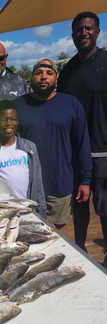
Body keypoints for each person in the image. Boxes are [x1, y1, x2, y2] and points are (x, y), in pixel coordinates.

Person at [13, 58, 92, 236]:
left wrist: (85, 179)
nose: (43, 77)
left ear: (56, 79)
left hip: (59, 182)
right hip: (25, 184)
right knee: (26, 230)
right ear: (31, 78)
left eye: (49, 73)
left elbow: (82, 143)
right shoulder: (17, 106)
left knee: (59, 230)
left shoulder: (71, 104)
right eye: (38, 73)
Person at [57, 12, 107, 266]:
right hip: (74, 152)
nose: (84, 33)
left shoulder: (105, 60)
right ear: (73, 35)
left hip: (101, 151)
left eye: (89, 28)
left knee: (104, 208)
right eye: (79, 30)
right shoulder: (67, 71)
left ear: (98, 32)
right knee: (79, 207)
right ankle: (81, 250)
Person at [0, 100, 46, 217]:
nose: (9, 123)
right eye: (3, 119)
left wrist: (42, 210)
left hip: (28, 210)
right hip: (3, 213)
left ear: (18, 121)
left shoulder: (29, 147)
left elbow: (37, 180)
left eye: (13, 119)